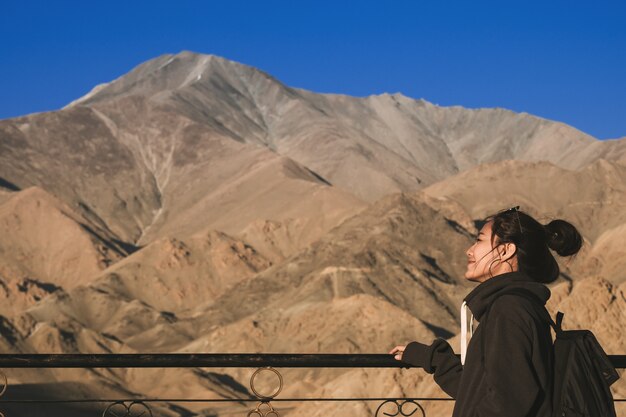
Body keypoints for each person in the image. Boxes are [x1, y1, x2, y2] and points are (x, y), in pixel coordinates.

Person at [389, 207, 582, 417]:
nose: (469, 250)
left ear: (505, 251)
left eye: (479, 240)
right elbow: (480, 393)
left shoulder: (510, 309)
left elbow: (508, 404)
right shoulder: (514, 304)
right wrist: (434, 359)